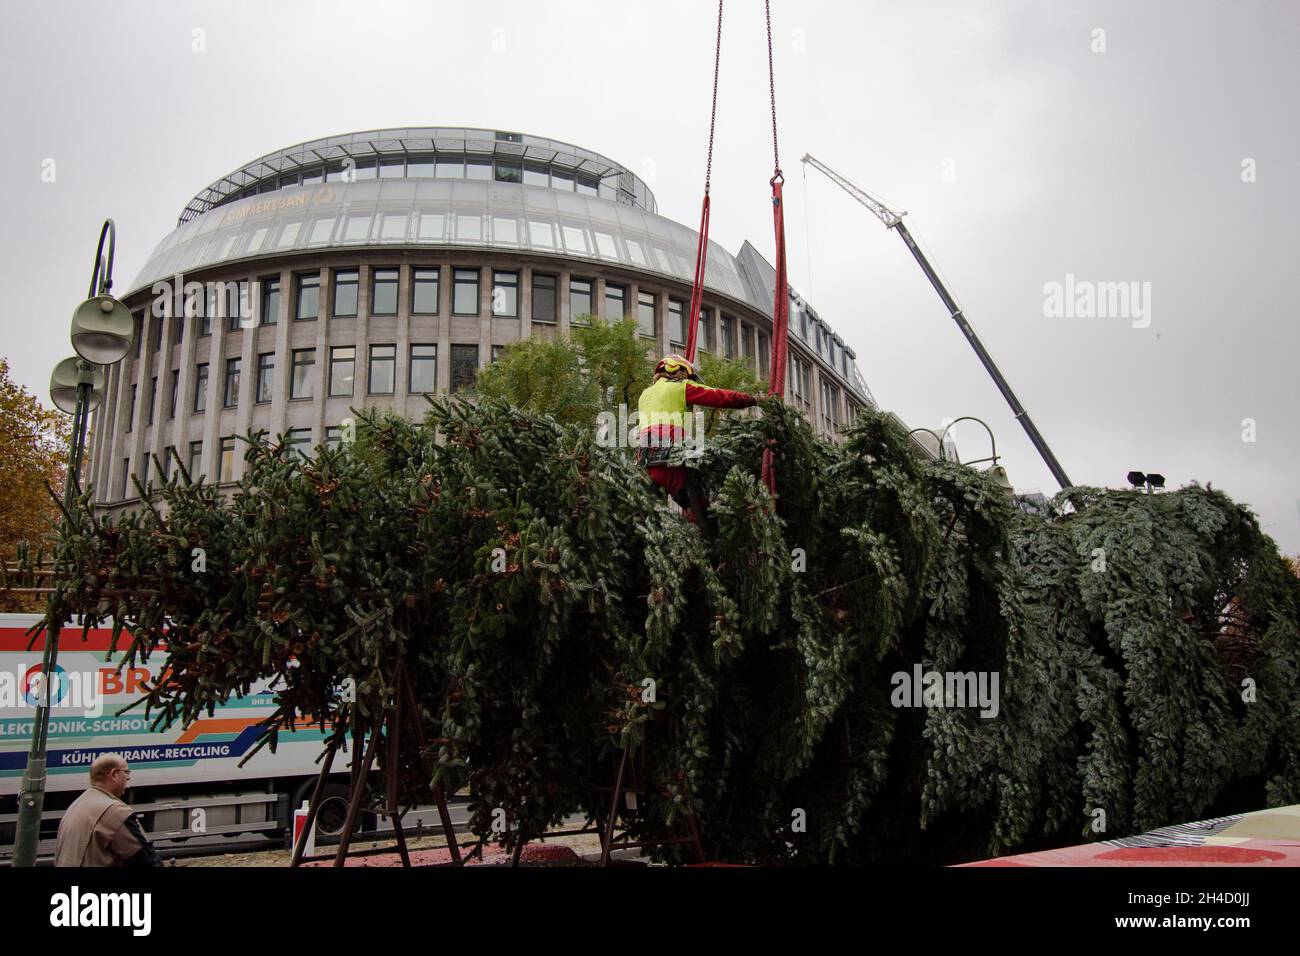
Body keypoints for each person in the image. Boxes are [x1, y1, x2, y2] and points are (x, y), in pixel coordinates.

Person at [637, 353, 757, 536]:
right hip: (672, 462)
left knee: (649, 523)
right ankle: (705, 552)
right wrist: (751, 400)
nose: (686, 379)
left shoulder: (644, 395)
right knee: (700, 513)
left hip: (646, 465)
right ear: (676, 370)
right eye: (686, 375)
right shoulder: (681, 388)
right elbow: (719, 396)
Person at [54, 754, 163, 867]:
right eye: (127, 774)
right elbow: (146, 860)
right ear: (114, 774)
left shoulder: (77, 805)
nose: (128, 784)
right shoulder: (115, 811)